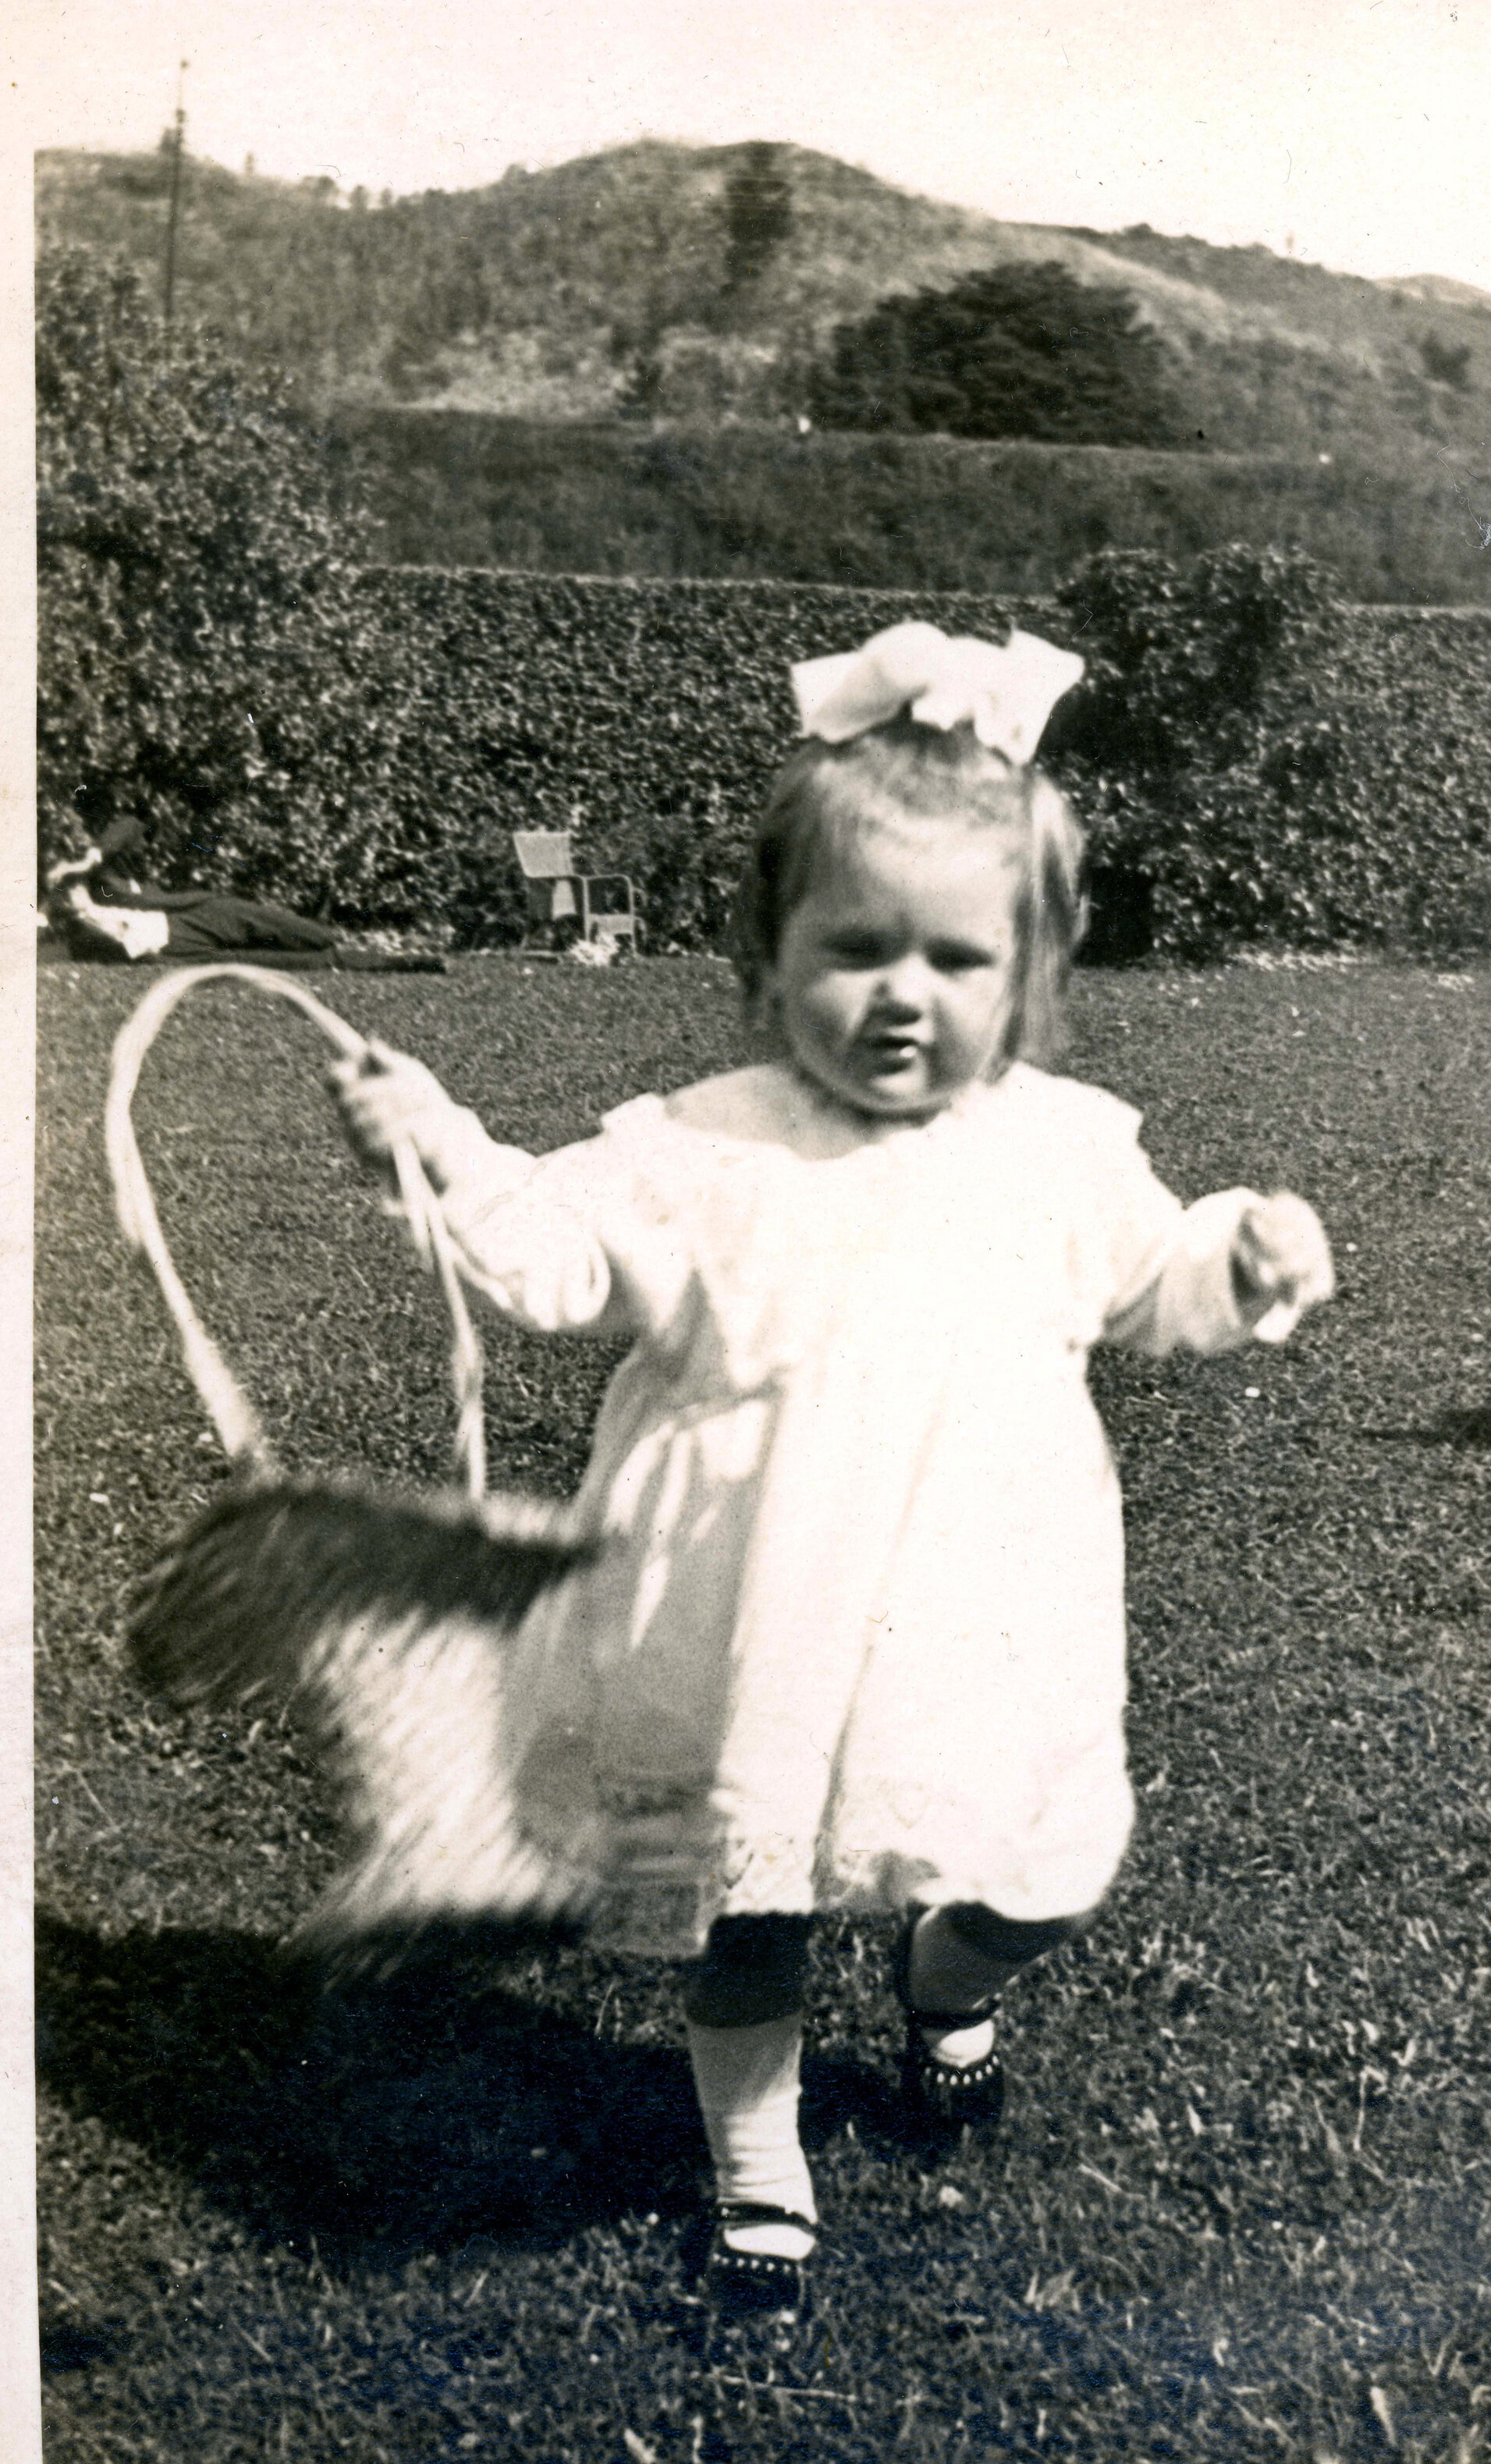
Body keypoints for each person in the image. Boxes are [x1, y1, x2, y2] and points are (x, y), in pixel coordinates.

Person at [329, 621, 1334, 2320]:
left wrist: (1236, 1256)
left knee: (1034, 1862)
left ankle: (952, 1979)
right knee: (755, 1894)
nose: (900, 994)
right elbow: (556, 1257)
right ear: (767, 951)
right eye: (854, 946)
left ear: (1028, 973)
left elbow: (1148, 1277)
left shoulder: (1058, 1152)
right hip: (746, 1607)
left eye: (954, 958)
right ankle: (755, 2160)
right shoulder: (703, 1149)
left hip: (981, 1596)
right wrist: (442, 1145)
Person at [44, 818, 444, 970]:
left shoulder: (105, 881)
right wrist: (73, 917)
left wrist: (87, 859)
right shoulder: (80, 936)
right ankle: (405, 961)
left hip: (197, 916)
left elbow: (129, 824)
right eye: (62, 896)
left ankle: (341, 939)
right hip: (184, 949)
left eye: (67, 886)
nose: (69, 894)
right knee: (286, 961)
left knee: (300, 932)